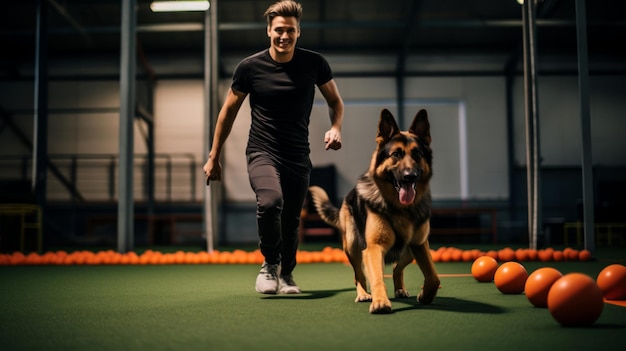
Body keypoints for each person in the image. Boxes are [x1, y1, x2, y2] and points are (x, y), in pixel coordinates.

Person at [203, 0, 344, 294]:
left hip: (297, 156)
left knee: (291, 220)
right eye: (278, 30)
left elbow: (335, 102)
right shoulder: (250, 68)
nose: (284, 36)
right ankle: (269, 265)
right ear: (268, 31)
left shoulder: (314, 64)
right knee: (270, 202)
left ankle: (287, 276)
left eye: (290, 30)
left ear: (298, 32)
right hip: (262, 151)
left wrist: (335, 127)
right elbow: (227, 112)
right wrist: (213, 156)